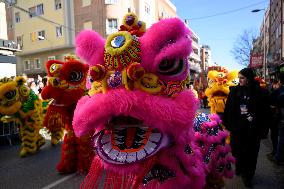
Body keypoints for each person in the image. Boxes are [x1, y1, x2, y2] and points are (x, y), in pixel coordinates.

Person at [223, 68, 270, 188]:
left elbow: (265, 112)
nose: (240, 80)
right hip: (237, 129)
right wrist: (227, 124)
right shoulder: (234, 91)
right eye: (239, 78)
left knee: (251, 154)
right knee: (236, 151)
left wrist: (263, 129)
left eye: (242, 78)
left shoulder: (261, 92)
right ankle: (239, 166)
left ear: (249, 78)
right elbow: (228, 108)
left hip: (253, 130)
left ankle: (248, 176)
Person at [269, 72, 284, 165]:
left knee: (279, 137)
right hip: (279, 118)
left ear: (279, 81)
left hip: (279, 118)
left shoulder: (279, 91)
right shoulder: (279, 90)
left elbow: (271, 101)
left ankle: (277, 156)